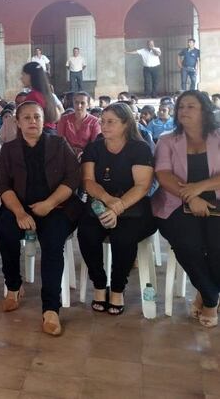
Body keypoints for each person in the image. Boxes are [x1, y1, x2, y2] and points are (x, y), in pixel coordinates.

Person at [0, 102, 82, 336]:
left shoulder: (58, 143)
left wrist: (49, 204)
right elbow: (3, 185)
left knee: (53, 242)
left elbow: (74, 178)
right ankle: (13, 286)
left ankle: (51, 308)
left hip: (57, 206)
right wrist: (20, 213)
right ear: (18, 122)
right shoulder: (9, 149)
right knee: (5, 230)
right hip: (20, 207)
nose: (32, 121)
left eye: (37, 117)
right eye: (27, 118)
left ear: (44, 120)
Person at [77, 103, 156, 315]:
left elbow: (142, 186)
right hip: (100, 204)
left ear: (126, 123)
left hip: (133, 208)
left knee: (123, 237)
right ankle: (100, 284)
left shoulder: (139, 148)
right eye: (102, 121)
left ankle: (118, 288)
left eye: (111, 121)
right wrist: (107, 201)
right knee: (87, 234)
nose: (104, 125)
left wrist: (118, 207)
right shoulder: (94, 148)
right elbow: (88, 181)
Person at [152, 91, 220, 327]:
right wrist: (190, 197)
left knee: (217, 246)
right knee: (188, 245)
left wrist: (200, 188)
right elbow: (163, 174)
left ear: (204, 110)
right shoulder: (167, 139)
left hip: (216, 202)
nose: (183, 111)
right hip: (176, 204)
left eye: (191, 106)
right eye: (181, 107)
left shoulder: (218, 137)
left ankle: (205, 291)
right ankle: (211, 298)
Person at [57, 91, 102, 157]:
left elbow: (94, 144)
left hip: (87, 155)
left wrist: (83, 154)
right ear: (73, 103)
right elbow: (60, 140)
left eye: (82, 103)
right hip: (66, 154)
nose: (79, 105)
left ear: (88, 105)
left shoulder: (94, 122)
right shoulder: (64, 119)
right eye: (76, 102)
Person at [21, 62, 60, 131]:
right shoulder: (48, 94)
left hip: (39, 133)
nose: (21, 78)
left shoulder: (33, 96)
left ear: (31, 76)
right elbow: (57, 116)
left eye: (23, 74)